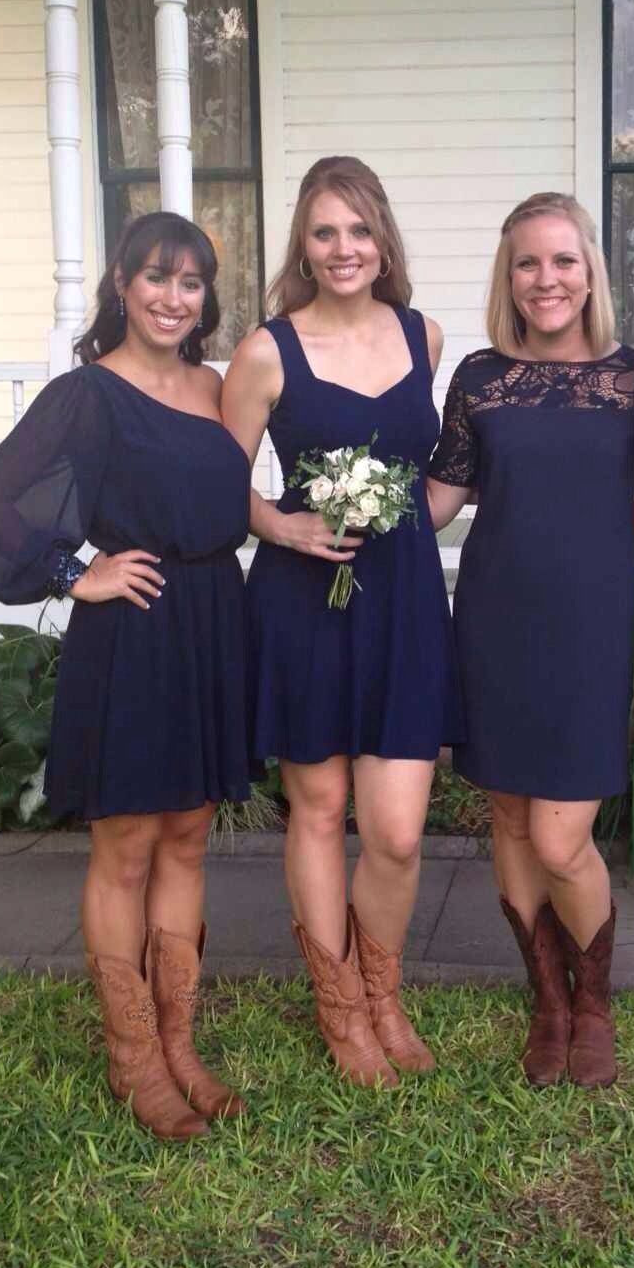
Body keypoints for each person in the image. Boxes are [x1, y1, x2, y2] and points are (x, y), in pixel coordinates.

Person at [0, 211, 253, 1140]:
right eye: (157, 277)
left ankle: (180, 1043)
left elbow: (235, 500)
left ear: (207, 298)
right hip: (132, 626)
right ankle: (132, 1056)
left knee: (191, 836)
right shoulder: (88, 393)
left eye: (191, 282)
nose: (173, 297)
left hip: (212, 619)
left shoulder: (215, 386)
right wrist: (73, 574)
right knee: (127, 843)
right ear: (122, 284)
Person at [220, 156, 461, 1088]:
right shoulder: (266, 350)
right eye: (325, 233)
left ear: (384, 240)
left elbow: (440, 473)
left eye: (359, 230)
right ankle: (339, 1006)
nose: (344, 248)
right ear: (304, 247)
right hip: (301, 600)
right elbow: (222, 478)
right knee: (318, 809)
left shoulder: (425, 337)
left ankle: (383, 988)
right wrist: (278, 522)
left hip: (400, 595)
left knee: (396, 830)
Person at [427, 192, 634, 1089]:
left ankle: (593, 1002)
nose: (546, 279)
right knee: (513, 821)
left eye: (563, 260)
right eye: (529, 262)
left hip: (588, 625)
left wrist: (598, 525)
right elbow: (442, 497)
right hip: (494, 617)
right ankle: (549, 1004)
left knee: (564, 838)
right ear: (508, 275)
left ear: (590, 269)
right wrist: (350, 508)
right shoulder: (480, 377)